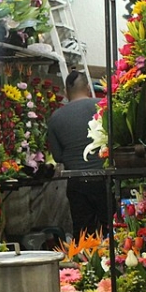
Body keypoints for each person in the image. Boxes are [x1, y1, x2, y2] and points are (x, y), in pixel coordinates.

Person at [47, 70, 108, 238]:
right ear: (87, 88)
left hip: (77, 183)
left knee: (83, 234)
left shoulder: (56, 118)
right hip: (106, 179)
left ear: (66, 92)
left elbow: (58, 156)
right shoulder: (103, 107)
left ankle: (84, 255)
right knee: (111, 228)